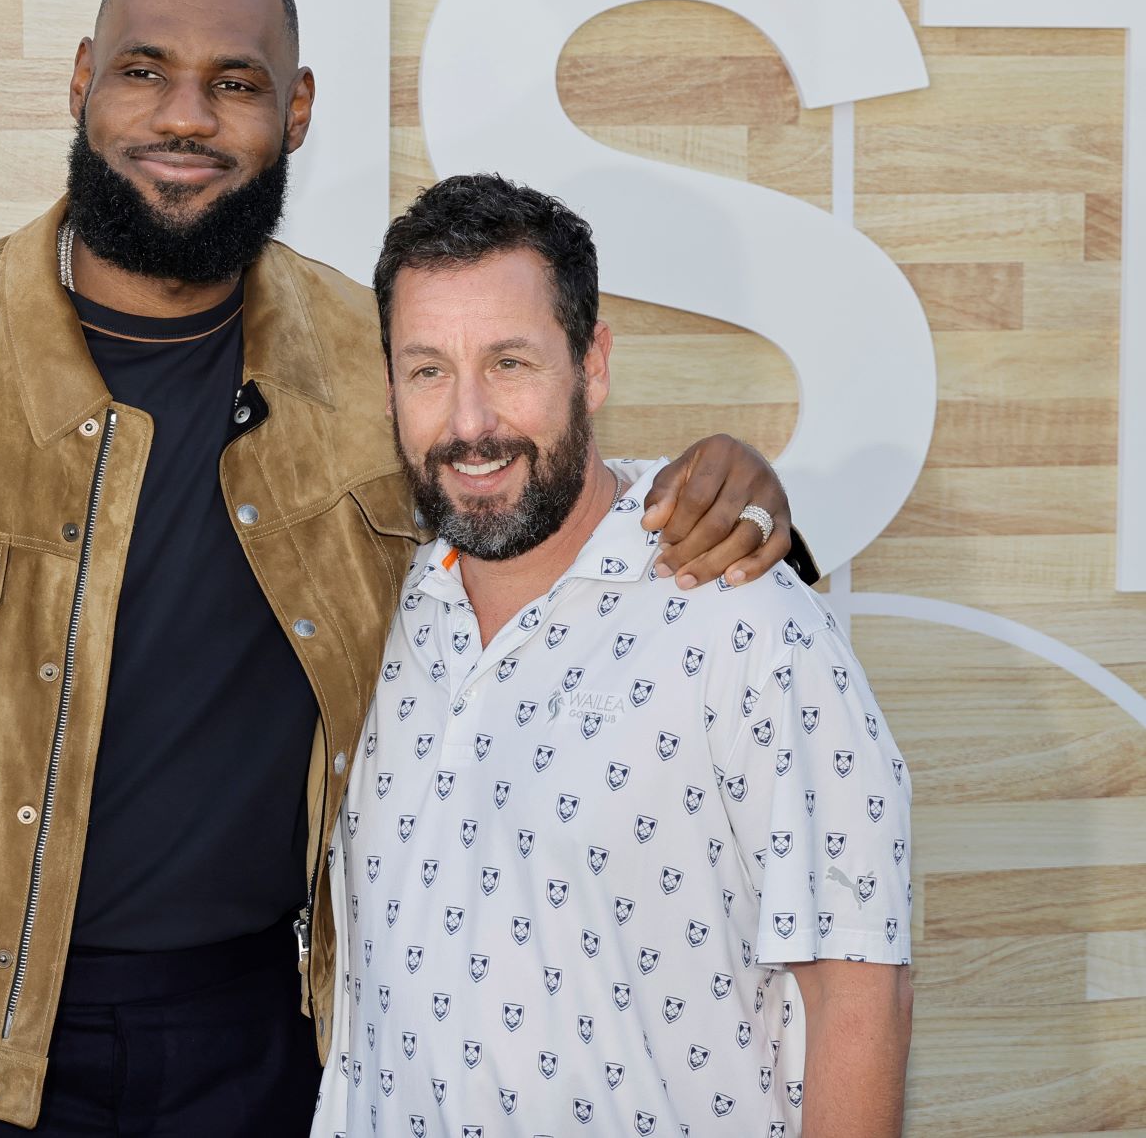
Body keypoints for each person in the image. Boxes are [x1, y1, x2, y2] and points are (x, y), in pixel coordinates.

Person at [0, 0, 804, 1138]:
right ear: (82, 82)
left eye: (234, 83)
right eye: (143, 70)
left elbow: (530, 504)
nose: (185, 116)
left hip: (263, 1047)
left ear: (294, 112)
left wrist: (725, 491)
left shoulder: (371, 359)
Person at [312, 174, 913, 1138]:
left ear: (592, 365)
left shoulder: (740, 615)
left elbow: (859, 993)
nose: (469, 424)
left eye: (509, 363)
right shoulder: (373, 609)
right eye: (428, 370)